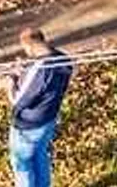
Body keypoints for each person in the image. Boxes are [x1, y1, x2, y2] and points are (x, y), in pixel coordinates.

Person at [6, 26, 75, 187]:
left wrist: (12, 81)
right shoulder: (63, 59)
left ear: (29, 46)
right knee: (40, 155)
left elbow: (18, 100)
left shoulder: (39, 69)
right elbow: (43, 86)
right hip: (49, 118)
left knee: (22, 163)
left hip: (28, 126)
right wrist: (24, 73)